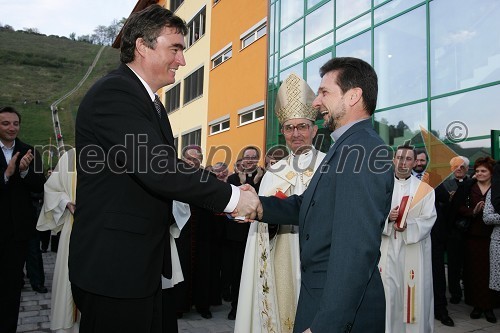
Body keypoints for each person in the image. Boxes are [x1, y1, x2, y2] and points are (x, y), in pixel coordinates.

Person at [69, 5, 259, 333]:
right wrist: (232, 198)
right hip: (115, 270)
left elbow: (166, 167)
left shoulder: (148, 102)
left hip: (139, 265)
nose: (182, 61)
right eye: (175, 49)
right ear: (143, 46)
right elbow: (159, 169)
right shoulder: (116, 94)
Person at [253, 57, 394, 332]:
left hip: (333, 313)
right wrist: (257, 205)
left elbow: (355, 249)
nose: (316, 103)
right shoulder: (346, 147)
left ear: (353, 96)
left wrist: (324, 326)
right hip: (321, 298)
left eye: (324, 92)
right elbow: (312, 205)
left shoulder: (361, 151)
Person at [235, 73, 326, 332]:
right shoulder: (272, 174)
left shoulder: (329, 167)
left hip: (319, 260)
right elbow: (260, 226)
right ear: (283, 131)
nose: (295, 134)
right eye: (289, 127)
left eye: (302, 126)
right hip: (280, 260)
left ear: (314, 129)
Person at [379, 144, 436, 333]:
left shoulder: (425, 190)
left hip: (412, 249)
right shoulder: (381, 186)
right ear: (393, 160)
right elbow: (370, 215)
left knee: (413, 294)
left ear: (415, 162)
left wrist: (407, 225)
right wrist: (388, 218)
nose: (403, 163)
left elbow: (429, 220)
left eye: (408, 159)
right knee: (389, 294)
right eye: (399, 158)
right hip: (387, 248)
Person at [0, 106, 46, 333]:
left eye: (15, 123)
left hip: (17, 233)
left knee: (11, 289)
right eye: (5, 123)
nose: (11, 128)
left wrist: (25, 172)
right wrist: (6, 175)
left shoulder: (28, 151)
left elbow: (40, 186)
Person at [37, 148, 79, 333]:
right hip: (75, 225)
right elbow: (52, 188)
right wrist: (66, 203)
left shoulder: (116, 154)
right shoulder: (71, 157)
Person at [411, 149, 453, 326]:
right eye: (417, 161)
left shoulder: (433, 177)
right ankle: (414, 309)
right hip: (411, 233)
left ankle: (441, 310)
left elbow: (445, 199)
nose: (420, 163)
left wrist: (432, 185)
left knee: (436, 272)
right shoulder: (404, 178)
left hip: (433, 234)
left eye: (423, 160)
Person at [454, 156, 496, 323]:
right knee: (474, 272)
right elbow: (458, 207)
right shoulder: (469, 187)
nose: (479, 173)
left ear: (491, 173)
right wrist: (473, 211)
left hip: (493, 237)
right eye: (477, 171)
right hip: (472, 236)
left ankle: (489, 307)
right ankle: (477, 305)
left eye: (483, 171)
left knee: (491, 273)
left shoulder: (497, 188)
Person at [226, 146, 265, 320]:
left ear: (257, 159)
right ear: (241, 159)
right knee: (237, 271)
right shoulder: (232, 178)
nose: (249, 160)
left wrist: (256, 180)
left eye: (253, 157)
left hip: (257, 231)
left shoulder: (264, 177)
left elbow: (261, 201)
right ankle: (235, 308)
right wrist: (241, 183)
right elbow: (232, 203)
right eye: (246, 157)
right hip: (237, 234)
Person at [443, 156, 470, 304]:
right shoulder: (446, 185)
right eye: (455, 167)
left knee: (469, 264)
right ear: (451, 169)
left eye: (462, 166)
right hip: (453, 231)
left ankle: (470, 292)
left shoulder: (472, 183)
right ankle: (455, 293)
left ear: (467, 168)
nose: (459, 169)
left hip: (469, 231)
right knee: (453, 264)